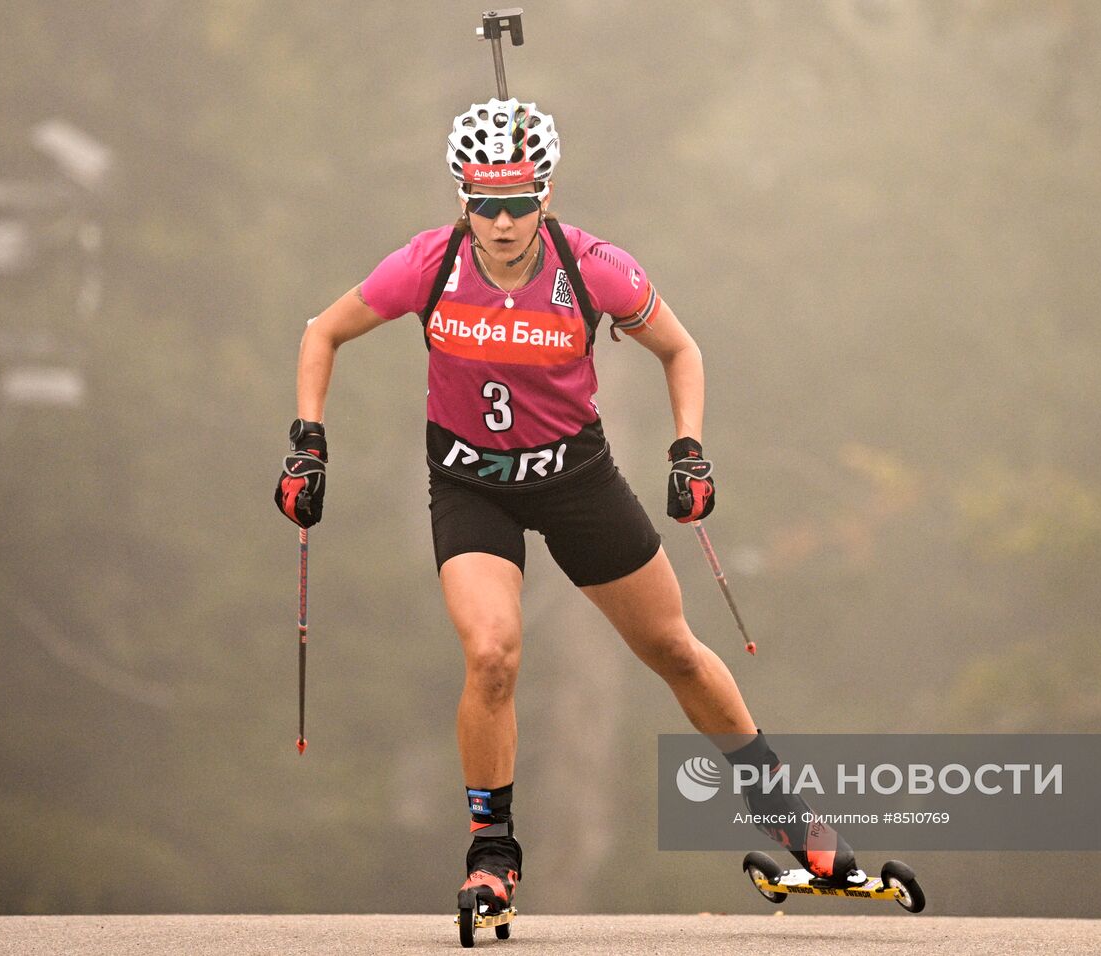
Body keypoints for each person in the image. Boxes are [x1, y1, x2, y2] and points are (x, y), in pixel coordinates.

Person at [274, 97, 860, 914]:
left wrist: (687, 447)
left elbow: (680, 348)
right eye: (486, 203)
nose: (504, 221)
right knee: (492, 655)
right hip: (473, 486)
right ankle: (492, 853)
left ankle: (790, 819)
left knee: (676, 653)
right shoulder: (428, 264)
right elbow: (320, 332)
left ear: (546, 194)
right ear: (462, 199)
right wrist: (308, 441)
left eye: (519, 202)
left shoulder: (593, 268)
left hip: (576, 482)